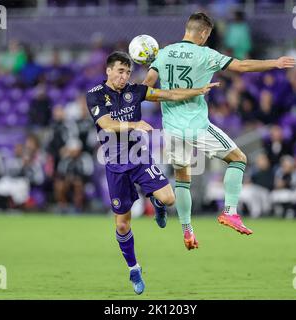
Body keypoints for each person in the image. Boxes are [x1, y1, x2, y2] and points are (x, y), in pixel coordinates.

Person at [143, 12, 296, 248]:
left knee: (183, 180)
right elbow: (242, 66)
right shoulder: (206, 54)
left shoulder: (163, 54)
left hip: (172, 129)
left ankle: (187, 230)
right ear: (203, 33)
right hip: (197, 127)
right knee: (238, 158)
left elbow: (146, 89)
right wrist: (274, 63)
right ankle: (230, 211)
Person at [85, 51, 218, 295]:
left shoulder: (135, 91)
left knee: (169, 198)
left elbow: (169, 94)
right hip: (115, 165)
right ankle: (134, 268)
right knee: (123, 226)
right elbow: (105, 124)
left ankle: (157, 203)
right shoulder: (94, 95)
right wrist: (135, 124)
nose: (124, 76)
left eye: (127, 72)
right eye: (120, 71)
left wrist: (197, 91)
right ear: (108, 71)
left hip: (139, 158)